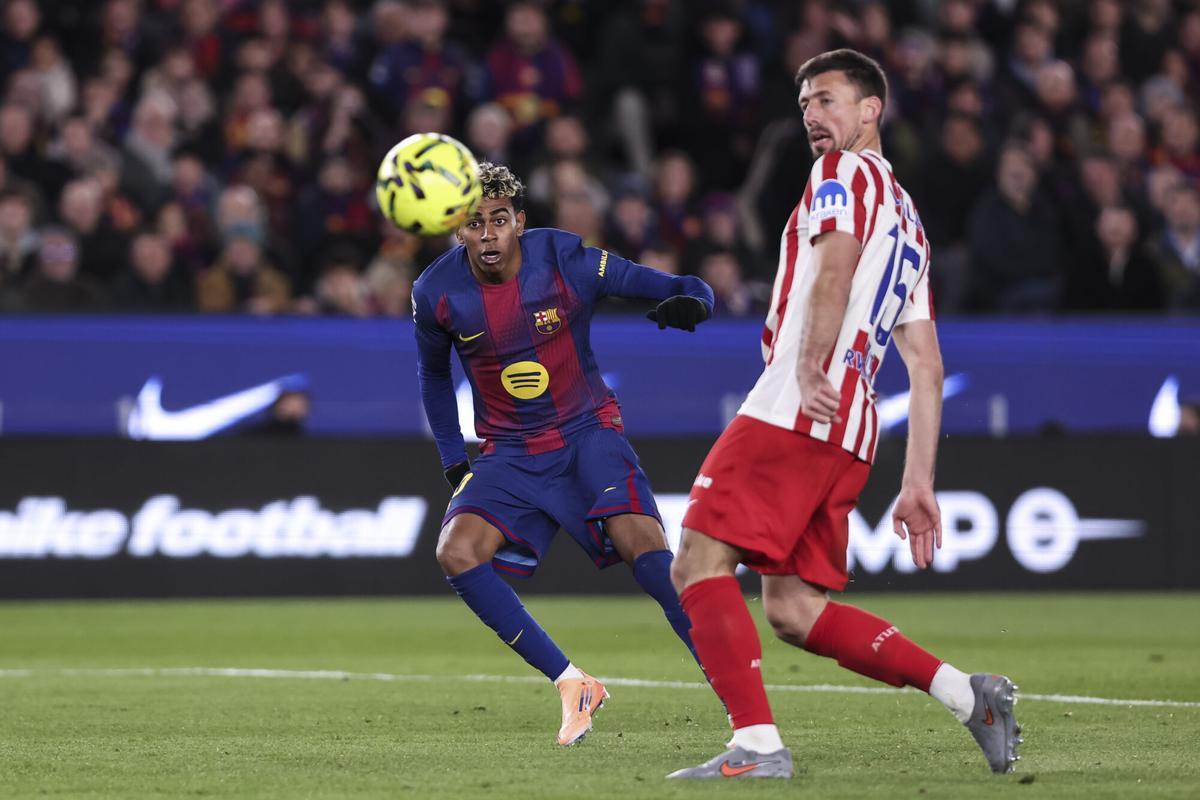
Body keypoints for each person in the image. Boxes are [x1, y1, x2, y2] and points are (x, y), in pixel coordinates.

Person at [667, 49, 1021, 781]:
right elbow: (926, 366)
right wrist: (918, 482)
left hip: (799, 405)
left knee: (698, 558)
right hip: (854, 428)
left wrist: (804, 363)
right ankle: (969, 696)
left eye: (827, 100)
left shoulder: (842, 175)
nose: (812, 118)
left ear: (871, 111)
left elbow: (832, 270)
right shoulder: (912, 225)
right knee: (794, 608)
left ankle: (758, 747)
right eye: (803, 106)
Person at [412, 161, 714, 747]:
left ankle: (734, 691)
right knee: (456, 551)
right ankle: (573, 682)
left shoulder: (567, 260)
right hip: (509, 453)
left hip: (587, 434)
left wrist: (695, 301)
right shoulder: (436, 292)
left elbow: (675, 285)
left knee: (645, 550)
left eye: (500, 220)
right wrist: (455, 461)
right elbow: (430, 376)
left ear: (519, 221)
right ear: (459, 231)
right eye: (476, 224)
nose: (490, 234)